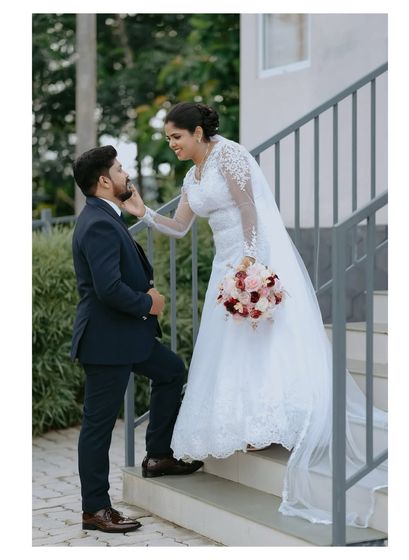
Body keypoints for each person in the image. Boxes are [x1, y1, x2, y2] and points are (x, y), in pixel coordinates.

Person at [121, 102, 387, 527]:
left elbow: (248, 207)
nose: (172, 144)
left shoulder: (229, 155)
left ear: (197, 133)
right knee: (231, 346)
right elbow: (180, 226)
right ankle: (247, 428)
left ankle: (280, 421)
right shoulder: (192, 177)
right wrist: (144, 214)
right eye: (169, 138)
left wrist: (249, 260)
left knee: (263, 338)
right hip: (226, 269)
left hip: (252, 258)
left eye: (176, 137)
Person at [71, 145, 203, 533]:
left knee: (171, 370)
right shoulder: (97, 222)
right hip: (106, 341)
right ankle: (95, 508)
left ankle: (158, 455)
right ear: (104, 181)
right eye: (119, 169)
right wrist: (149, 303)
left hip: (128, 337)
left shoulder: (106, 216)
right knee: (98, 427)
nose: (126, 174)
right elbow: (107, 288)